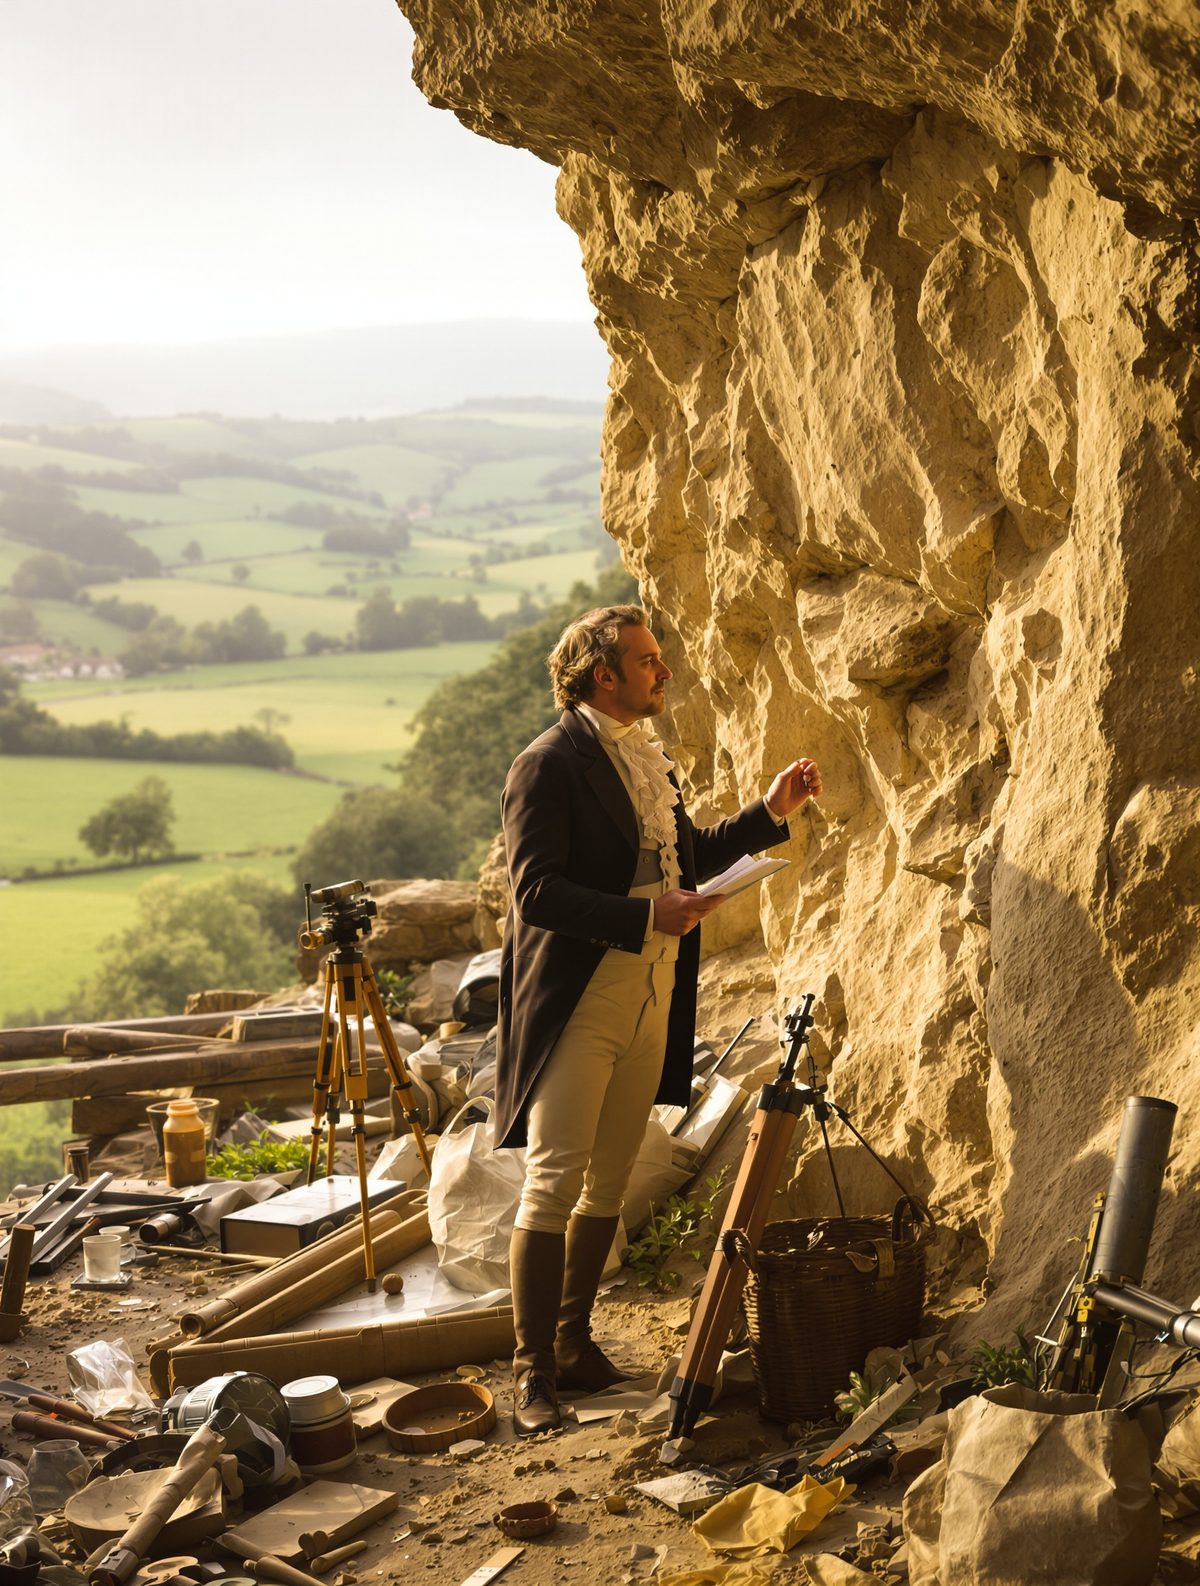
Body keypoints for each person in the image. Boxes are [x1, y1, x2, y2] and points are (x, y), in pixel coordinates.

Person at [496, 603, 822, 1435]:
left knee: (608, 1178)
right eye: (647, 662)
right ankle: (532, 1372)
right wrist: (645, 917)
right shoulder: (547, 764)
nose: (663, 671)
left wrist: (769, 809)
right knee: (554, 1178)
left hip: (654, 990)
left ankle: (573, 1346)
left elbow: (693, 854)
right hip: (582, 997)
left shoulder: (646, 757)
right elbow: (534, 893)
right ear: (604, 676)